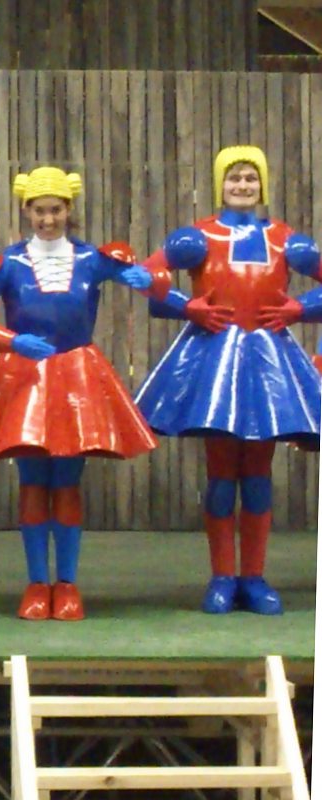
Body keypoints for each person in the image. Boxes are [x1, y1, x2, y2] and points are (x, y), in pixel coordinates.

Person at [0, 167, 160, 621]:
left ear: (69, 209)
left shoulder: (92, 259)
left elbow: (146, 279)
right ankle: (35, 582)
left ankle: (66, 583)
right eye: (40, 210)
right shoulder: (7, 263)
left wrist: (147, 278)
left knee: (66, 481)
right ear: (26, 210)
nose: (48, 219)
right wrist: (11, 340)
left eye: (56, 210)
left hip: (78, 379)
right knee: (32, 481)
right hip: (25, 380)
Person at [135, 145, 322, 615]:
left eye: (250, 178)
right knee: (221, 476)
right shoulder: (197, 237)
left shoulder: (287, 240)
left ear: (263, 184)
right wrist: (186, 306)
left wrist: (300, 308)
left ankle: (253, 577)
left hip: (269, 361)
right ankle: (222, 576)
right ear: (221, 183)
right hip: (214, 360)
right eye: (235, 177)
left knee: (257, 475)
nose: (243, 185)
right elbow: (146, 276)